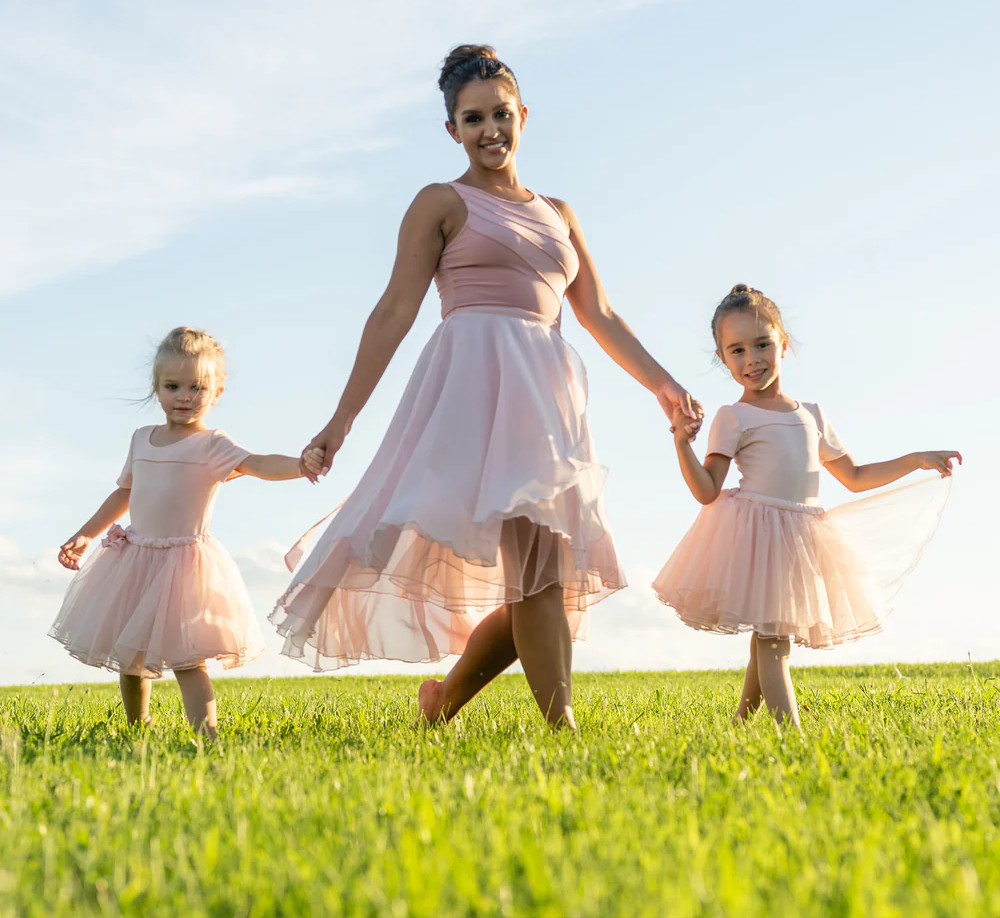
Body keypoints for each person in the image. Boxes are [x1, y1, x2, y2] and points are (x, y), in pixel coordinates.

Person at [270, 44, 700, 728]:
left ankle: (442, 704)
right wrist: (341, 420)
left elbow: (599, 314)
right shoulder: (441, 203)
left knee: (544, 577)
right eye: (473, 120)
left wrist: (664, 385)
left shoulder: (559, 211)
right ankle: (561, 729)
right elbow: (393, 311)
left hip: (547, 400)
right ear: (452, 131)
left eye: (501, 114)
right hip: (472, 394)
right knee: (540, 572)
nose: (490, 130)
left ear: (524, 115)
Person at [653, 284, 960, 727]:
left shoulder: (811, 414)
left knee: (770, 635)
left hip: (801, 538)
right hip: (755, 536)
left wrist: (915, 460)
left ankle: (741, 723)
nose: (751, 359)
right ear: (723, 359)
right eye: (737, 350)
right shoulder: (733, 417)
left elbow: (854, 477)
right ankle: (790, 736)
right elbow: (706, 490)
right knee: (774, 639)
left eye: (762, 344)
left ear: (783, 343)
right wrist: (682, 444)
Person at [50, 326, 319, 738]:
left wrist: (300, 465)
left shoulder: (212, 445)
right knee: (130, 655)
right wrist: (86, 534)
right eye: (173, 386)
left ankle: (206, 735)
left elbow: (258, 463)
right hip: (134, 559)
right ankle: (137, 727)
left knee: (188, 660)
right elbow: (124, 492)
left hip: (184, 564)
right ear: (156, 388)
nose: (184, 397)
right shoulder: (142, 440)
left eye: (197, 387)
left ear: (217, 392)